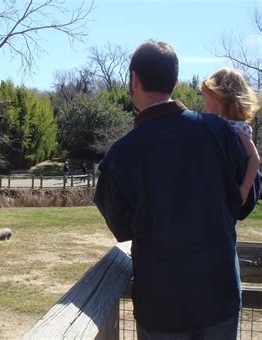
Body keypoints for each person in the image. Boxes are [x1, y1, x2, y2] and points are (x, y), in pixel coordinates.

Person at [94, 40, 259, 339]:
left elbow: (123, 228)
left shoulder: (120, 156)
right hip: (220, 297)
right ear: (176, 82)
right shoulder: (221, 132)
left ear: (134, 80)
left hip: (161, 306)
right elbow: (245, 203)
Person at [201, 68, 260, 204]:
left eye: (206, 97)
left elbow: (254, 158)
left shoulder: (238, 127)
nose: (204, 102)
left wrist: (244, 189)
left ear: (219, 96)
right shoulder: (215, 123)